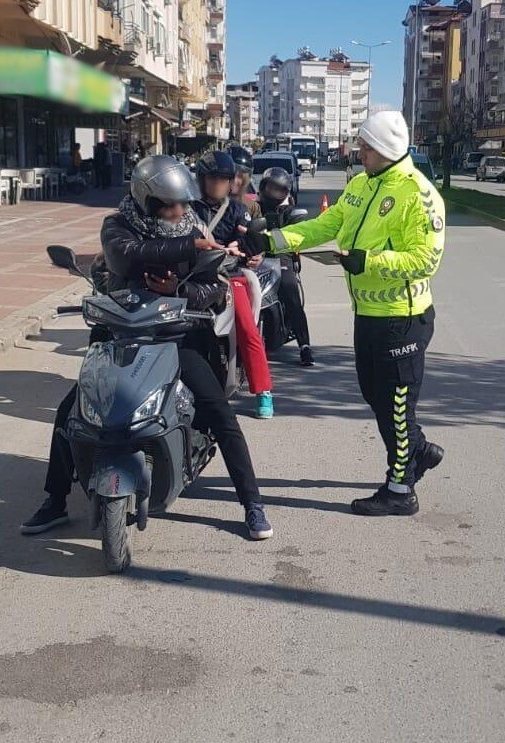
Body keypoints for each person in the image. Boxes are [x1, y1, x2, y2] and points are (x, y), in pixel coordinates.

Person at [20, 156, 274, 541]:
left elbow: (215, 287)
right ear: (145, 199)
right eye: (168, 204)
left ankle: (252, 504)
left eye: (181, 203)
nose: (177, 211)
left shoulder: (194, 228)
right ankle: (55, 500)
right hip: (119, 335)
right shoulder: (119, 226)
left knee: (220, 414)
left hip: (175, 337)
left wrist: (179, 290)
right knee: (71, 412)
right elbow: (128, 256)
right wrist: (186, 246)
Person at [245, 110, 446, 516]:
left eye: (366, 147)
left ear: (386, 149)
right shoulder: (360, 184)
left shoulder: (419, 194)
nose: (359, 152)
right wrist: (271, 241)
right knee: (376, 396)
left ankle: (400, 490)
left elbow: (426, 258)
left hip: (402, 318)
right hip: (368, 313)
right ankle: (418, 450)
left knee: (397, 405)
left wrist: (367, 261)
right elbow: (325, 225)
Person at [194, 149, 275, 419]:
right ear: (201, 179)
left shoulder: (238, 211)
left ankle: (263, 390)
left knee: (247, 328)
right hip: (191, 277)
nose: (217, 183)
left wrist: (246, 248)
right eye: (212, 178)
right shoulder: (187, 209)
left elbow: (251, 238)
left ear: (230, 182)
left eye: (222, 179)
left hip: (228, 277)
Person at [258, 167, 314, 366]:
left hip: (281, 258)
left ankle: (304, 346)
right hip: (254, 257)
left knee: (291, 293)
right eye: (270, 187)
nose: (273, 192)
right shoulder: (254, 206)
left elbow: (291, 240)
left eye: (278, 189)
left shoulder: (289, 211)